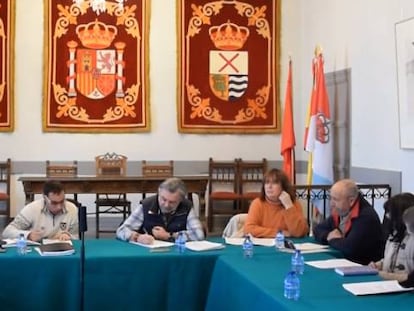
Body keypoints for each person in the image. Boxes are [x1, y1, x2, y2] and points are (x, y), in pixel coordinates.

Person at [313, 179, 385, 265]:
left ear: (351, 201)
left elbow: (350, 248)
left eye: (335, 199)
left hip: (363, 267)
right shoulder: (341, 210)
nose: (331, 204)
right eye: (330, 198)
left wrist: (333, 239)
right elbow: (317, 229)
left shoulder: (366, 217)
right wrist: (328, 235)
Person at [116, 177, 204, 244]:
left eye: (172, 202)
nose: (166, 205)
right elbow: (121, 230)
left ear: (180, 200)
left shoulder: (186, 206)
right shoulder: (146, 205)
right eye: (163, 199)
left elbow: (199, 235)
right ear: (159, 192)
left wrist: (169, 236)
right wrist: (137, 237)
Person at [2, 180, 79, 241]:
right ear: (45, 198)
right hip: (36, 251)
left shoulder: (72, 209)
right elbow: (7, 232)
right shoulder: (31, 209)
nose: (59, 207)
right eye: (54, 203)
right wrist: (28, 235)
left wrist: (69, 236)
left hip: (63, 250)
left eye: (62, 201)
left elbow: (76, 236)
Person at [243, 168, 309, 238]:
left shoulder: (293, 204)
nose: (269, 186)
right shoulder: (258, 203)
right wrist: (279, 233)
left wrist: (288, 206)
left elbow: (299, 232)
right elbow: (248, 229)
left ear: (283, 187)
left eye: (274, 183)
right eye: (267, 183)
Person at [370, 197, 414, 283]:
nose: (387, 216)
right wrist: (379, 265)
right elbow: (390, 258)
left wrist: (386, 275)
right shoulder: (394, 234)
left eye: (390, 212)